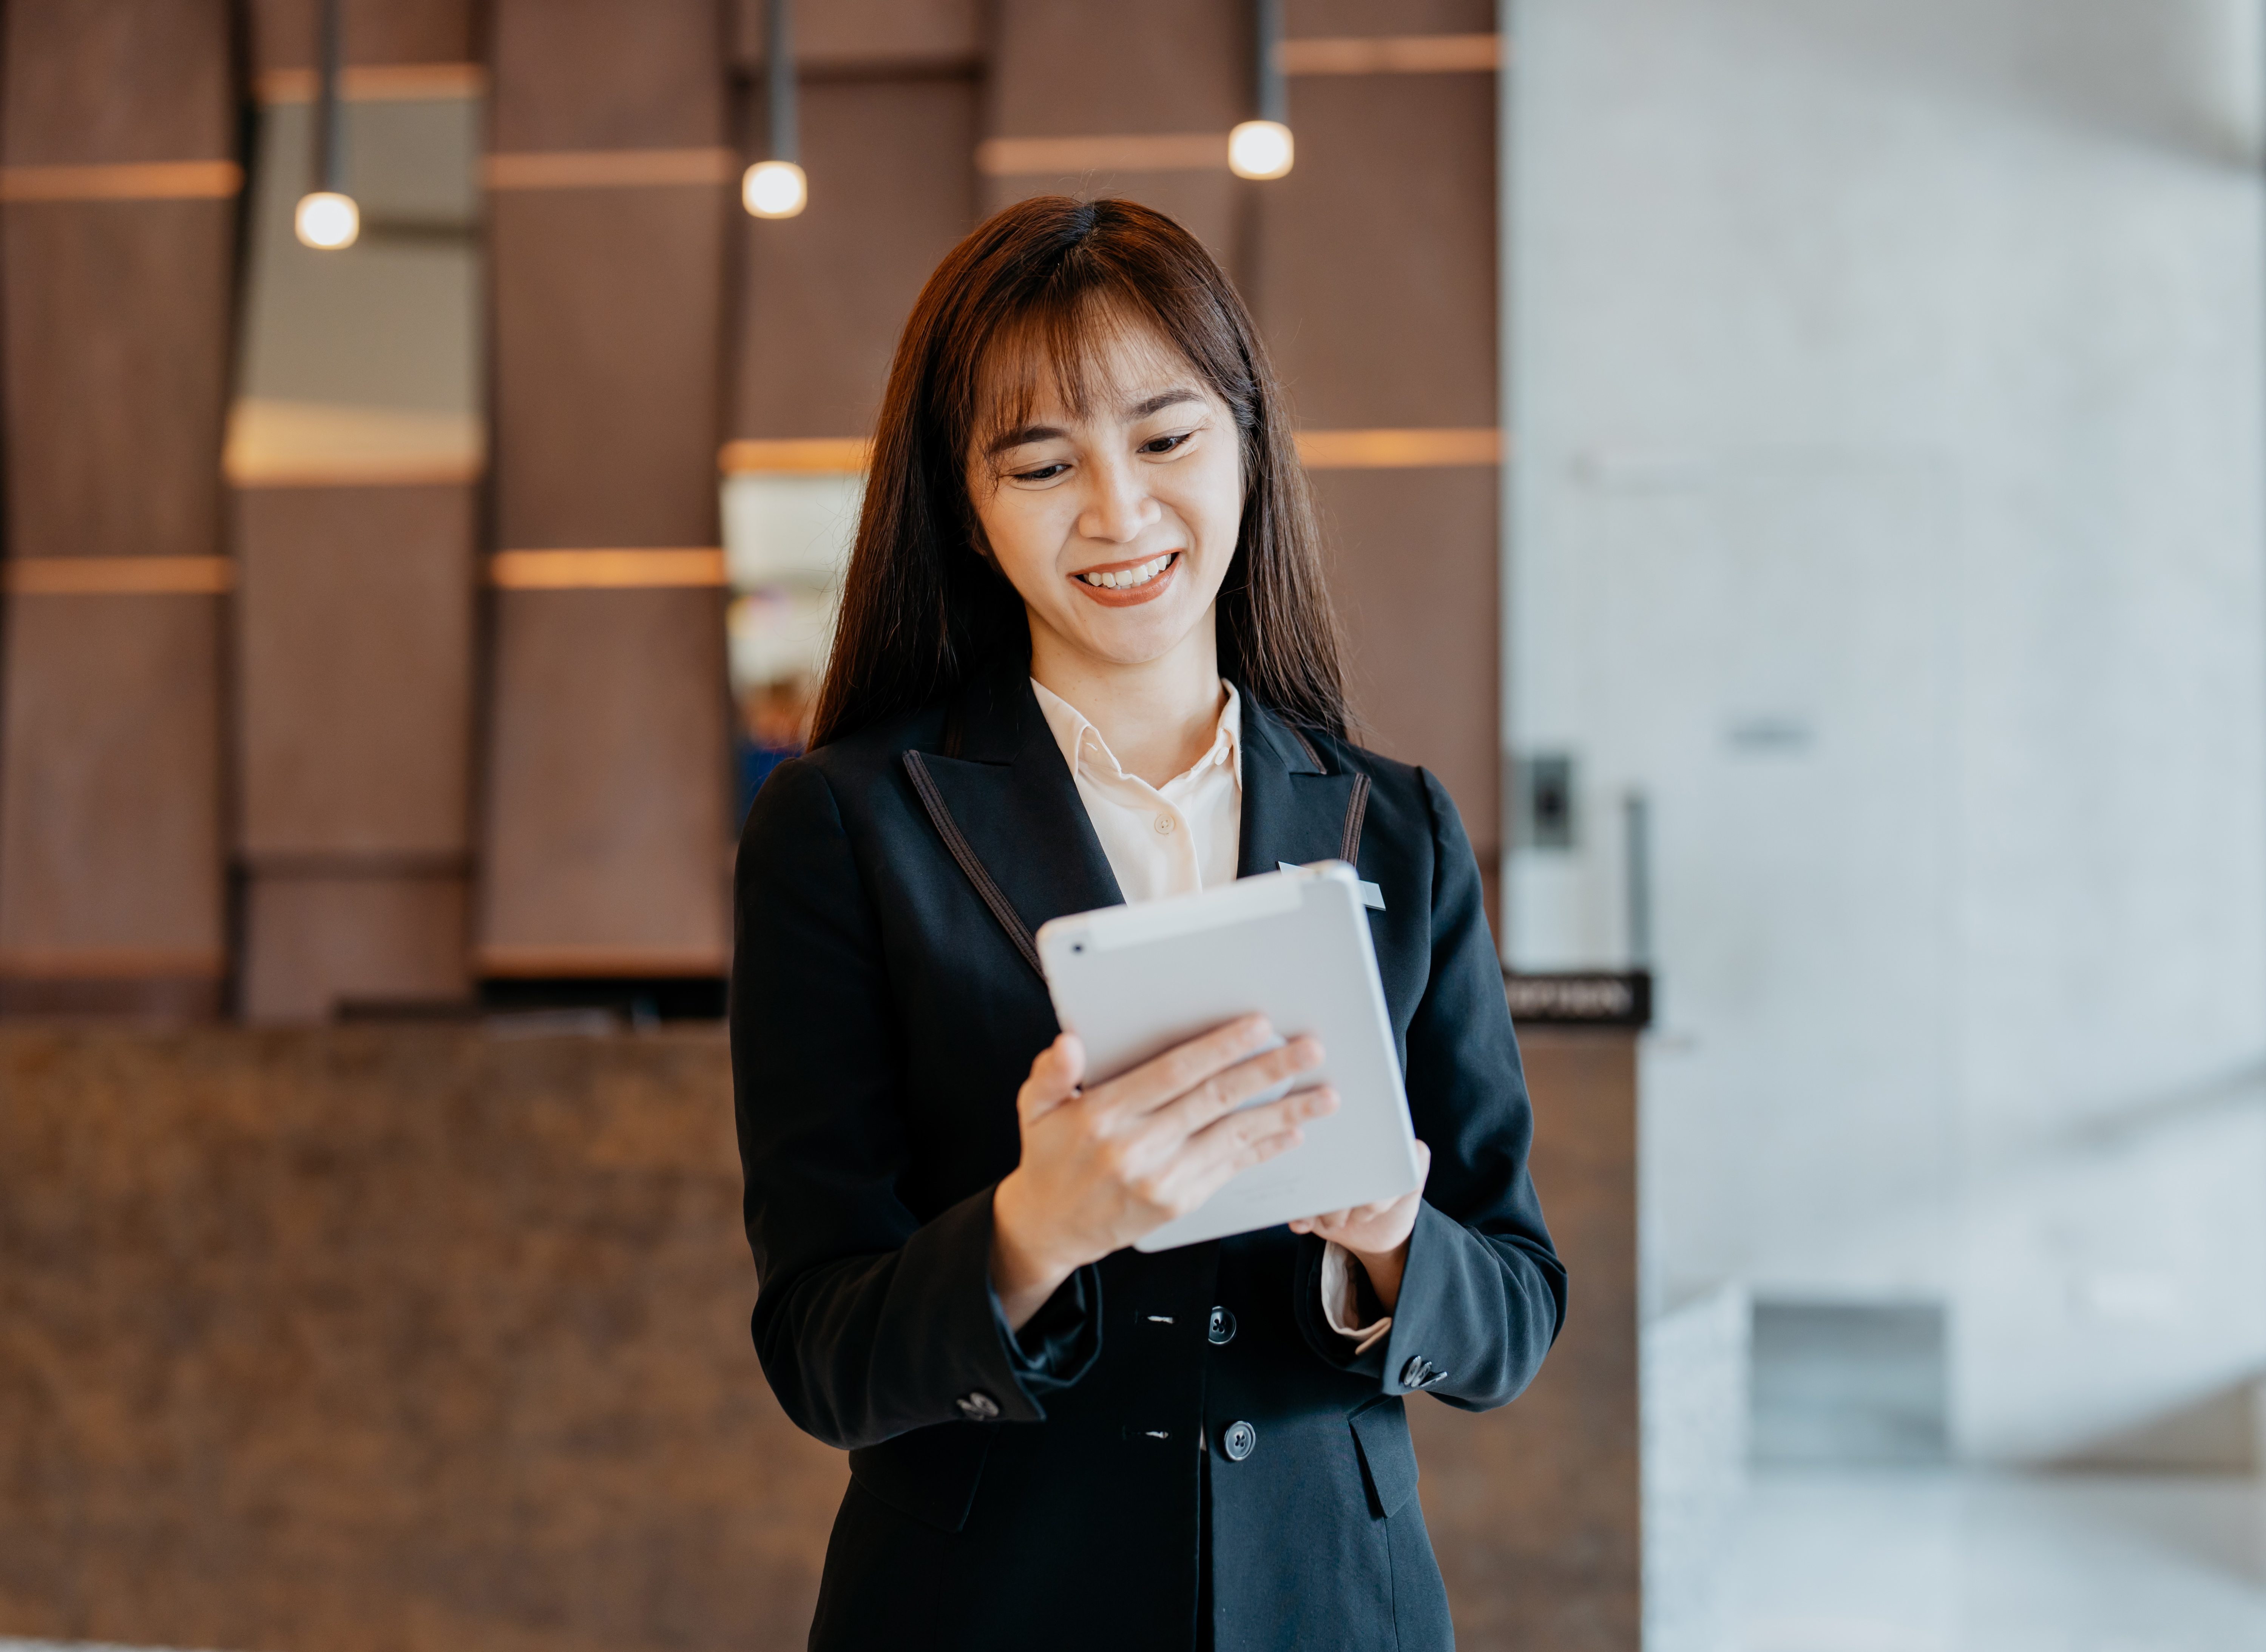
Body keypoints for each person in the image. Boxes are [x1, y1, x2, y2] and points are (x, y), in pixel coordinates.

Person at [731, 195, 1564, 1652]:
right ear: (973, 516)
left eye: (1166, 438)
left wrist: (1385, 1236)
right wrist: (1028, 1231)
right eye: (1043, 463)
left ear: (1248, 444)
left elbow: (1514, 1307)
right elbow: (822, 1353)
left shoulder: (1402, 826)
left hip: (1337, 1614)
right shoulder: (847, 827)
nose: (1117, 512)